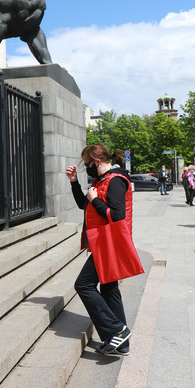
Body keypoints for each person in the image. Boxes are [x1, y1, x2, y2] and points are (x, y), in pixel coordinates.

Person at [66, 143, 133, 355]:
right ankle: (121, 343)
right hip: (103, 241)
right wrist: (75, 183)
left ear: (96, 162)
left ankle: (116, 330)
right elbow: (82, 205)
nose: (86, 168)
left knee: (83, 285)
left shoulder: (115, 181)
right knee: (109, 289)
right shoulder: (101, 180)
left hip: (109, 242)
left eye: (87, 165)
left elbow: (117, 216)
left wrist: (95, 200)